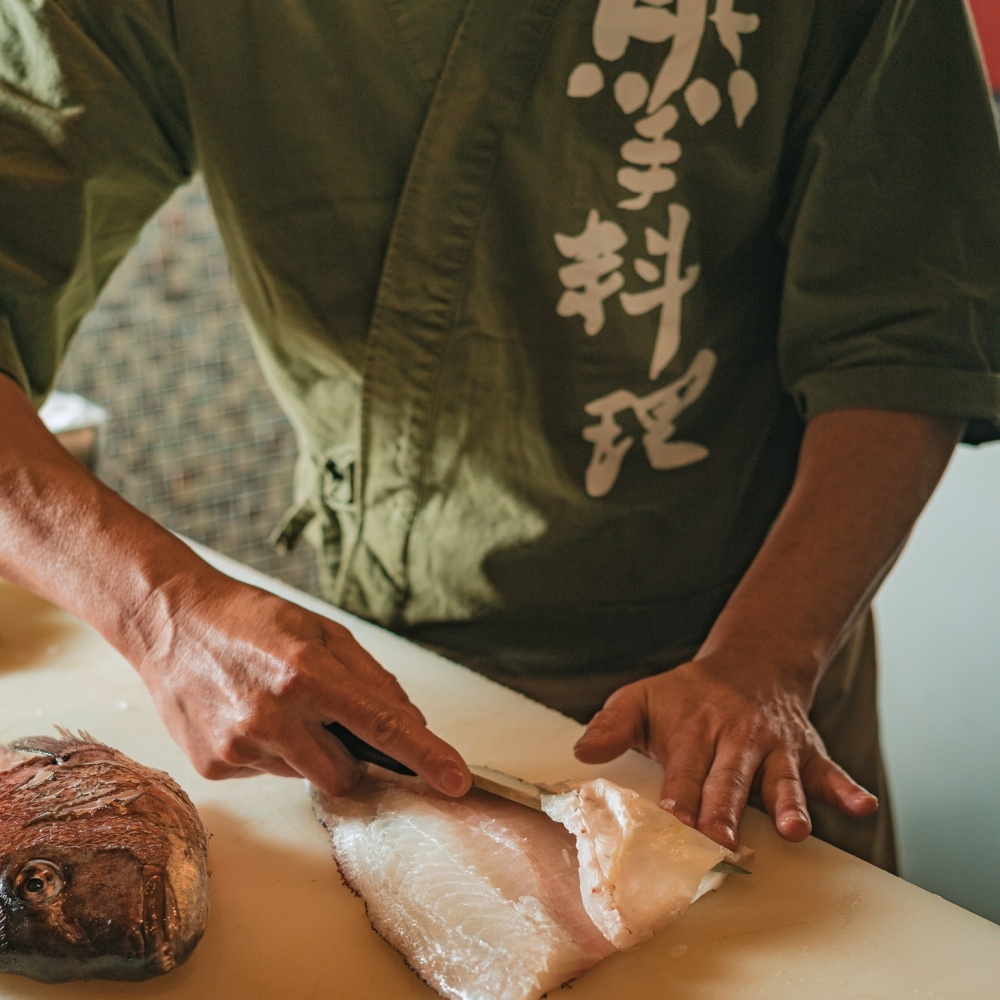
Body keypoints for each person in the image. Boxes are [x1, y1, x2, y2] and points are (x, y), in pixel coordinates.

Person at [1, 0, 998, 872]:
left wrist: (769, 655)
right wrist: (158, 608)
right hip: (392, 682)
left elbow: (907, 328)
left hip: (750, 658)